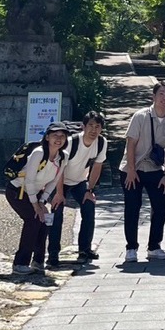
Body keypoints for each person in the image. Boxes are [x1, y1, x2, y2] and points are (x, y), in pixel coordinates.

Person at [120, 81, 165, 263]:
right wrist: (131, 170)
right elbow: (130, 144)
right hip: (133, 167)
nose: (164, 98)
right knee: (132, 207)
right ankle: (131, 248)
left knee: (161, 207)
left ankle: (154, 246)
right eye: (161, 94)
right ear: (153, 97)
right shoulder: (140, 116)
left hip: (155, 169)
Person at [46, 112, 107, 268]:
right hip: (59, 180)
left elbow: (97, 167)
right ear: (83, 127)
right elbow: (59, 168)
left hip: (80, 181)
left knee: (89, 206)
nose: (94, 130)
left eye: (97, 127)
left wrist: (90, 189)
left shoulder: (101, 143)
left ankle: (85, 249)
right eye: (91, 126)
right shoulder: (71, 142)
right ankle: (53, 252)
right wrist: (59, 194)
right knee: (57, 212)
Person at [5, 124, 68, 275]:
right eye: (55, 135)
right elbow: (29, 180)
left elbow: (54, 181)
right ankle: (20, 263)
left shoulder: (63, 156)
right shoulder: (39, 152)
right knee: (33, 219)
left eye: (62, 136)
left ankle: (38, 261)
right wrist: (35, 205)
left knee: (44, 220)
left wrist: (42, 201)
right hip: (18, 191)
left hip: (37, 193)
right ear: (47, 137)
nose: (58, 139)